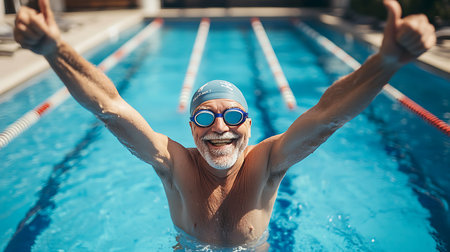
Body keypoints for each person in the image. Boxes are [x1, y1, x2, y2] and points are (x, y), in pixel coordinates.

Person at [14, 0, 436, 249]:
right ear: (192, 127)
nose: (220, 127)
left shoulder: (268, 161)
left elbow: (328, 117)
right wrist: (55, 50)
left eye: (232, 115)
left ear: (248, 125)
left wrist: (387, 62)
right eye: (205, 116)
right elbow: (110, 107)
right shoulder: (173, 163)